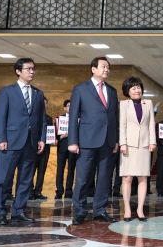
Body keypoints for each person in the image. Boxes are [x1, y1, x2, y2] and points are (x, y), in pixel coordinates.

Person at [0, 58, 47, 225]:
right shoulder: (7, 91)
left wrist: (42, 139)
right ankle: (0, 211)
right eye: (28, 69)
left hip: (30, 142)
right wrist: (1, 139)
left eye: (33, 69)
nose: (31, 72)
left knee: (25, 179)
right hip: (10, 142)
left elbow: (42, 119)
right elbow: (0, 117)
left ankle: (19, 211)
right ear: (18, 71)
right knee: (3, 179)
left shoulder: (38, 93)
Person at [69, 57, 119, 225]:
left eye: (108, 67)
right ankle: (80, 211)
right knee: (83, 178)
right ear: (93, 69)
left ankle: (100, 210)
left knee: (105, 178)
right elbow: (73, 117)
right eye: (103, 66)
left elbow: (114, 118)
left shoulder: (112, 91)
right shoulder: (80, 89)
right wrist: (73, 141)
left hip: (107, 141)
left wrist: (116, 140)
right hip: (86, 141)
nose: (106, 69)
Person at [119, 76, 156, 221]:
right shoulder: (124, 104)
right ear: (128, 91)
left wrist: (152, 142)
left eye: (139, 87)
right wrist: (123, 143)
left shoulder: (148, 103)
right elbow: (122, 125)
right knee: (127, 177)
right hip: (129, 145)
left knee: (142, 177)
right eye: (133, 88)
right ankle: (127, 209)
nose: (137, 90)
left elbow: (150, 124)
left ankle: (140, 209)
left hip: (144, 145)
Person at [30, 97, 53, 200]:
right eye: (42, 103)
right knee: (31, 170)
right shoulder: (32, 117)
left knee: (42, 170)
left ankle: (38, 191)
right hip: (33, 147)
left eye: (46, 103)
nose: (44, 105)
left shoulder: (49, 118)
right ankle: (30, 191)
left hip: (46, 147)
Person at [55, 100, 77, 199]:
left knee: (71, 170)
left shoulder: (78, 119)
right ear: (64, 108)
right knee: (60, 169)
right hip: (62, 147)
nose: (70, 107)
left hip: (73, 147)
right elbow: (55, 136)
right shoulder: (59, 119)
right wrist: (61, 137)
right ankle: (59, 191)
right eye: (68, 106)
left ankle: (69, 191)